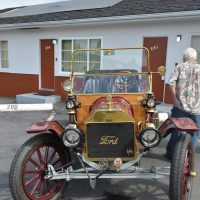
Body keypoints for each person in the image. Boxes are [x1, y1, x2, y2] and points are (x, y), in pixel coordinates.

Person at [166, 47, 200, 159]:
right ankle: (187, 158)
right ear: (195, 57)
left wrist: (175, 99)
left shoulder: (179, 67)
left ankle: (171, 155)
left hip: (180, 106)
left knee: (176, 129)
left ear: (184, 57)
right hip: (197, 108)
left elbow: (171, 84)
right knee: (194, 132)